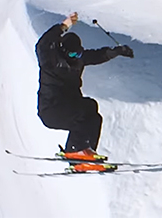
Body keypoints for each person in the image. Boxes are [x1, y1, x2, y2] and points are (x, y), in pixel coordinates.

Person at [35, 12, 134, 161]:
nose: (76, 57)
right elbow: (42, 44)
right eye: (73, 54)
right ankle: (75, 150)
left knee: (93, 113)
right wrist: (64, 26)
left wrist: (117, 51)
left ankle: (86, 153)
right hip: (51, 110)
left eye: (78, 53)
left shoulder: (78, 60)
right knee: (83, 111)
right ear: (64, 51)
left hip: (69, 108)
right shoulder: (50, 60)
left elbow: (97, 55)